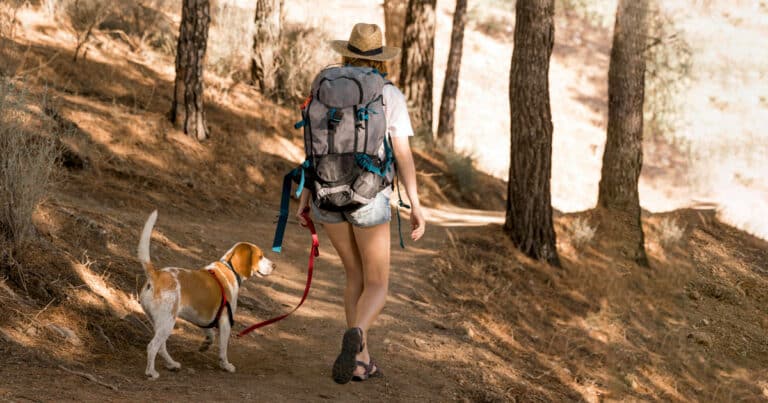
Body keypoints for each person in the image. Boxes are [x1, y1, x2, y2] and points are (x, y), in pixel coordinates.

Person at [295, 23, 426, 383]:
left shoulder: (324, 87)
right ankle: (359, 335)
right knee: (378, 283)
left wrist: (305, 193)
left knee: (354, 275)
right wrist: (415, 204)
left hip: (327, 193)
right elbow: (403, 157)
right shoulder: (389, 94)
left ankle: (359, 361)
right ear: (380, 57)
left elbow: (312, 147)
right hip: (369, 196)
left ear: (346, 52)